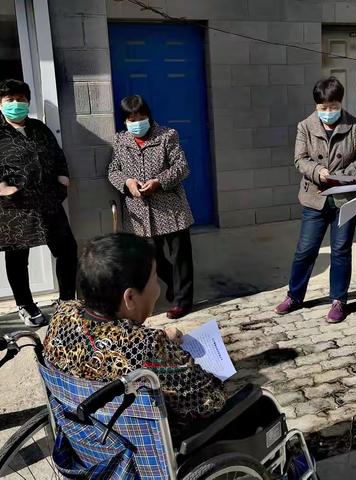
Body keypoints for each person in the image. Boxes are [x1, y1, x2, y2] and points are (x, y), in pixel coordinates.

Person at [43, 233, 225, 437]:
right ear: (130, 297)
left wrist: (163, 342)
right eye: (155, 278)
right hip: (146, 451)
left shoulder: (62, 314)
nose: (158, 288)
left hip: (88, 441)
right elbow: (210, 401)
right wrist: (170, 352)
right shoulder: (148, 346)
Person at [275, 77, 356, 323]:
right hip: (314, 197)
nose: (328, 112)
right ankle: (294, 295)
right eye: (323, 108)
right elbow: (300, 159)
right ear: (316, 105)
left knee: (340, 250)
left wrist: (343, 177)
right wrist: (319, 172)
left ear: (340, 102)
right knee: (305, 250)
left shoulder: (355, 126)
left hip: (344, 198)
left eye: (333, 106)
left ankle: (338, 300)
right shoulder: (305, 126)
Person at [108, 95, 194, 320]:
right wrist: (127, 183)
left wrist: (159, 182)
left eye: (141, 116)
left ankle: (183, 300)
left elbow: (182, 167)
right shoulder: (120, 141)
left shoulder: (167, 136)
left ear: (148, 115)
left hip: (171, 208)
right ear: (125, 119)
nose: (137, 121)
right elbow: (113, 171)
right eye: (131, 117)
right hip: (139, 213)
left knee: (180, 256)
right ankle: (174, 285)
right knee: (151, 257)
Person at [0, 79, 77, 327]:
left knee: (67, 250)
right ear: (0, 103)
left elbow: (56, 153)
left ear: (28, 102)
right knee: (17, 257)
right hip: (15, 205)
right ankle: (25, 304)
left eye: (20, 99)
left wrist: (62, 174)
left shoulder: (38, 128)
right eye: (10, 100)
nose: (16, 104)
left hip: (47, 199)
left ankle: (66, 302)